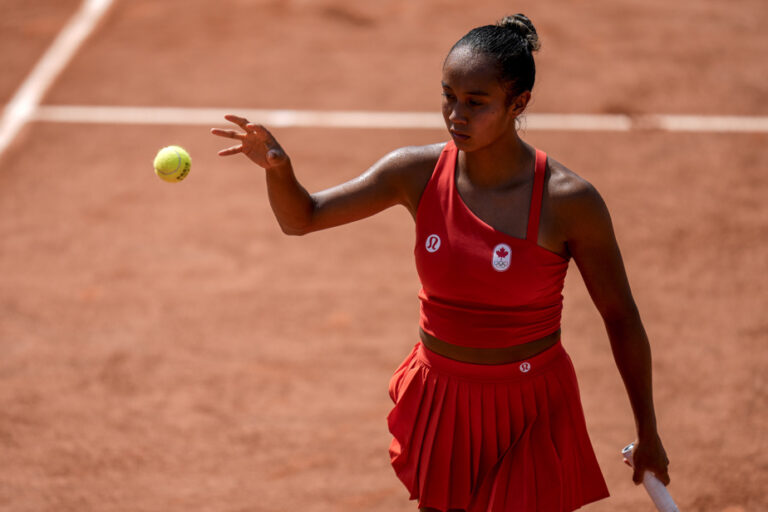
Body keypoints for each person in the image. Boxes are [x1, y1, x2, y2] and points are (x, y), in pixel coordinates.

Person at [211, 13, 670, 512]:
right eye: (449, 95)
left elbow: (620, 315)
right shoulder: (416, 171)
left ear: (519, 104)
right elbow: (303, 217)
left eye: (476, 103)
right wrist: (280, 169)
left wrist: (648, 429)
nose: (456, 115)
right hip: (443, 398)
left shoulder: (568, 200)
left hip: (529, 407)